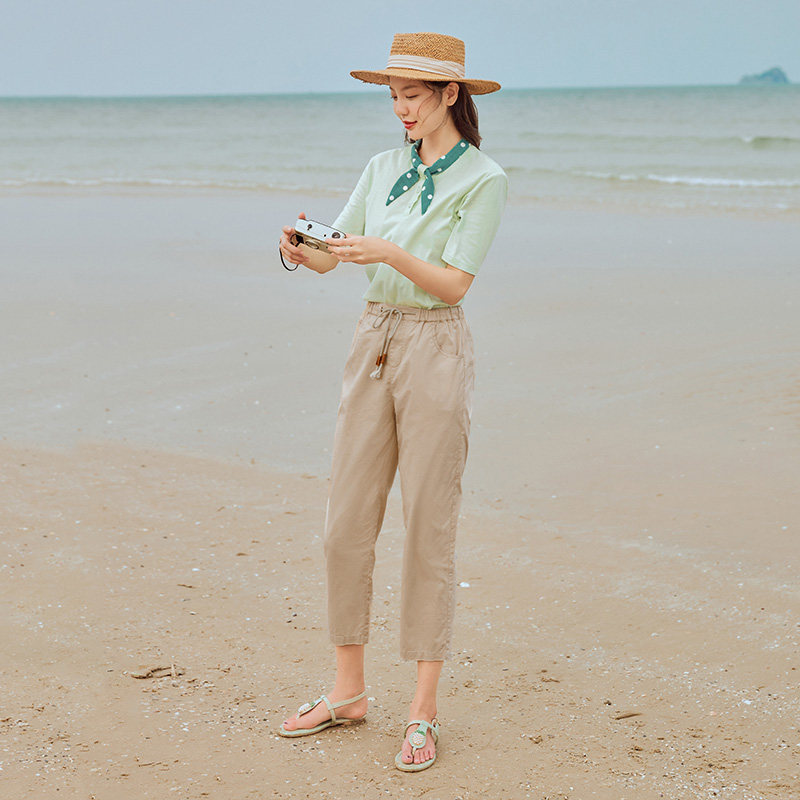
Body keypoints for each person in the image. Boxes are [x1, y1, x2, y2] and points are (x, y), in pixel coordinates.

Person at [276, 32, 507, 772]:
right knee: (345, 523)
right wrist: (300, 248)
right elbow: (335, 254)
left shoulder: (484, 179)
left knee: (427, 528)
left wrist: (391, 253)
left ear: (450, 95)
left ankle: (422, 711)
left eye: (413, 95)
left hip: (436, 346)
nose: (401, 108)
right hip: (372, 336)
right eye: (394, 96)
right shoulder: (381, 167)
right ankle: (348, 692)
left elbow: (455, 284)